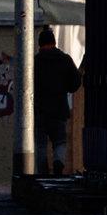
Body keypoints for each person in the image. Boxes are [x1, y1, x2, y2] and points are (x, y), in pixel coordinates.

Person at [33, 29, 82, 176]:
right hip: (59, 108)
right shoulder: (65, 59)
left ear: (39, 44)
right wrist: (65, 87)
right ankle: (58, 164)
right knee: (59, 142)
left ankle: (42, 172)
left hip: (40, 109)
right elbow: (75, 83)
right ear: (54, 42)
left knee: (40, 144)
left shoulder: (35, 61)